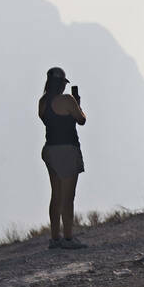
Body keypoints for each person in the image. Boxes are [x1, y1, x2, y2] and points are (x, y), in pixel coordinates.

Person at [38, 66, 88, 249]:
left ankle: (55, 238)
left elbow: (47, 120)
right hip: (66, 150)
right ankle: (68, 239)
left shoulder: (42, 102)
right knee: (68, 197)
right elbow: (81, 119)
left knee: (56, 196)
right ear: (61, 84)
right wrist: (77, 104)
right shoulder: (67, 100)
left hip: (49, 150)